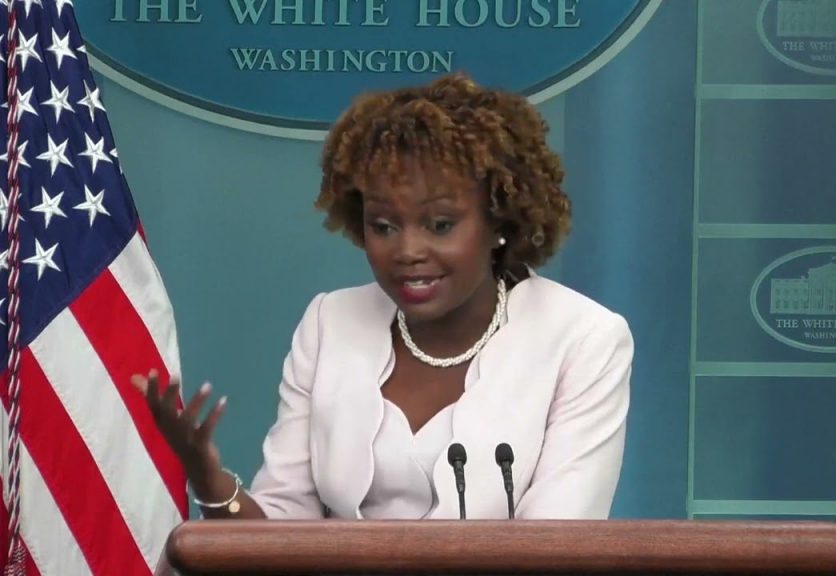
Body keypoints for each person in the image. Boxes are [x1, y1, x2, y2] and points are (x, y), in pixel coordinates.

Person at [132, 73, 634, 520]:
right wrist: (208, 478)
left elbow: (558, 545)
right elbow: (280, 537)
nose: (408, 251)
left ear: (499, 219)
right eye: (384, 226)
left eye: (440, 224)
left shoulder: (583, 339)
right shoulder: (330, 322)